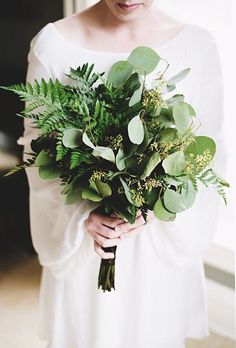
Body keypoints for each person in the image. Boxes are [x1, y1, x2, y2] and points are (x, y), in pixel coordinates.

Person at [20, 1, 224, 347]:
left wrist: (158, 206)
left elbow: (207, 156)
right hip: (88, 250)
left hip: (157, 249)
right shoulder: (53, 45)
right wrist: (80, 219)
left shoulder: (196, 46)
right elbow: (37, 156)